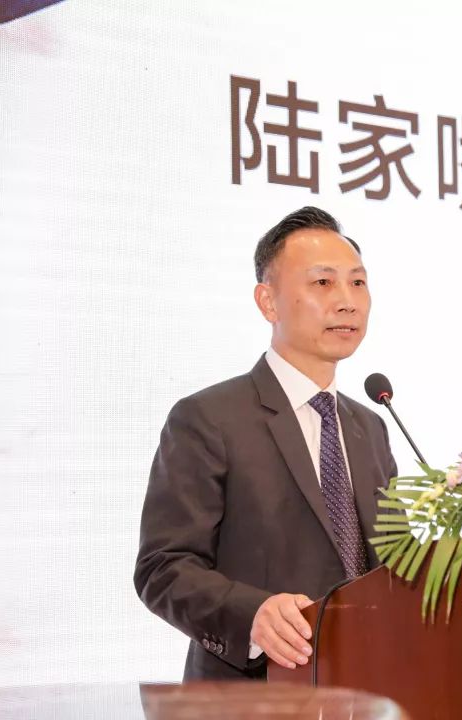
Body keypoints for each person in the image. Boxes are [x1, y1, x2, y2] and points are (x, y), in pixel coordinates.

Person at [134, 206, 397, 681]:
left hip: (367, 688)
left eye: (358, 282)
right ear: (268, 302)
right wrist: (252, 614)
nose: (347, 301)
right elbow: (163, 568)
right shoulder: (208, 418)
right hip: (256, 693)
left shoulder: (371, 426)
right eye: (323, 282)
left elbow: (393, 563)